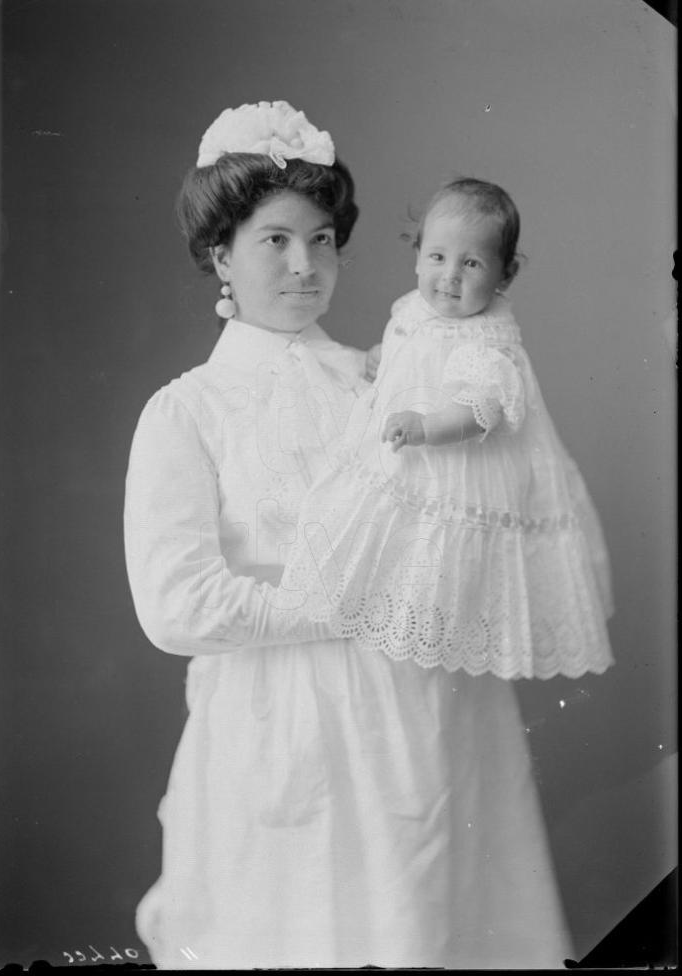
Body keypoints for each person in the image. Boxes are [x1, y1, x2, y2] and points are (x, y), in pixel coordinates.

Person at [125, 103, 575, 969]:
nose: (306, 266)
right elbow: (178, 605)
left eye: (323, 240)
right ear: (221, 254)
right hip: (280, 735)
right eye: (275, 241)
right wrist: (352, 604)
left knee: (433, 937)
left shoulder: (393, 382)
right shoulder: (188, 413)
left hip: (425, 729)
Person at [275, 178, 615, 682]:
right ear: (417, 257)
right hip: (408, 453)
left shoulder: (488, 343)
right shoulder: (415, 308)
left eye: (471, 264)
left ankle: (421, 635)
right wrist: (382, 361)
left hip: (454, 466)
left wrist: (426, 427)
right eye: (437, 257)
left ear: (506, 275)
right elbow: (409, 348)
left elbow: (479, 413)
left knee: (433, 562)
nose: (449, 277)